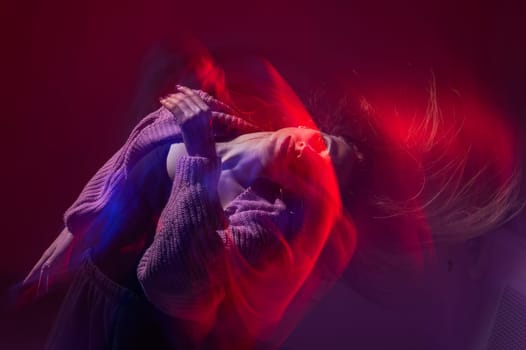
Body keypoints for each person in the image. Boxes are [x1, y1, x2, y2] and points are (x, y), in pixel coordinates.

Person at [22, 85, 359, 349]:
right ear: (306, 125)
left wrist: (199, 156)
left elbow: (168, 277)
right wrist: (76, 229)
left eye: (318, 173)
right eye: (321, 143)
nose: (309, 155)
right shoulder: (211, 114)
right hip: (91, 291)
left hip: (139, 333)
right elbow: (131, 153)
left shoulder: (264, 227)